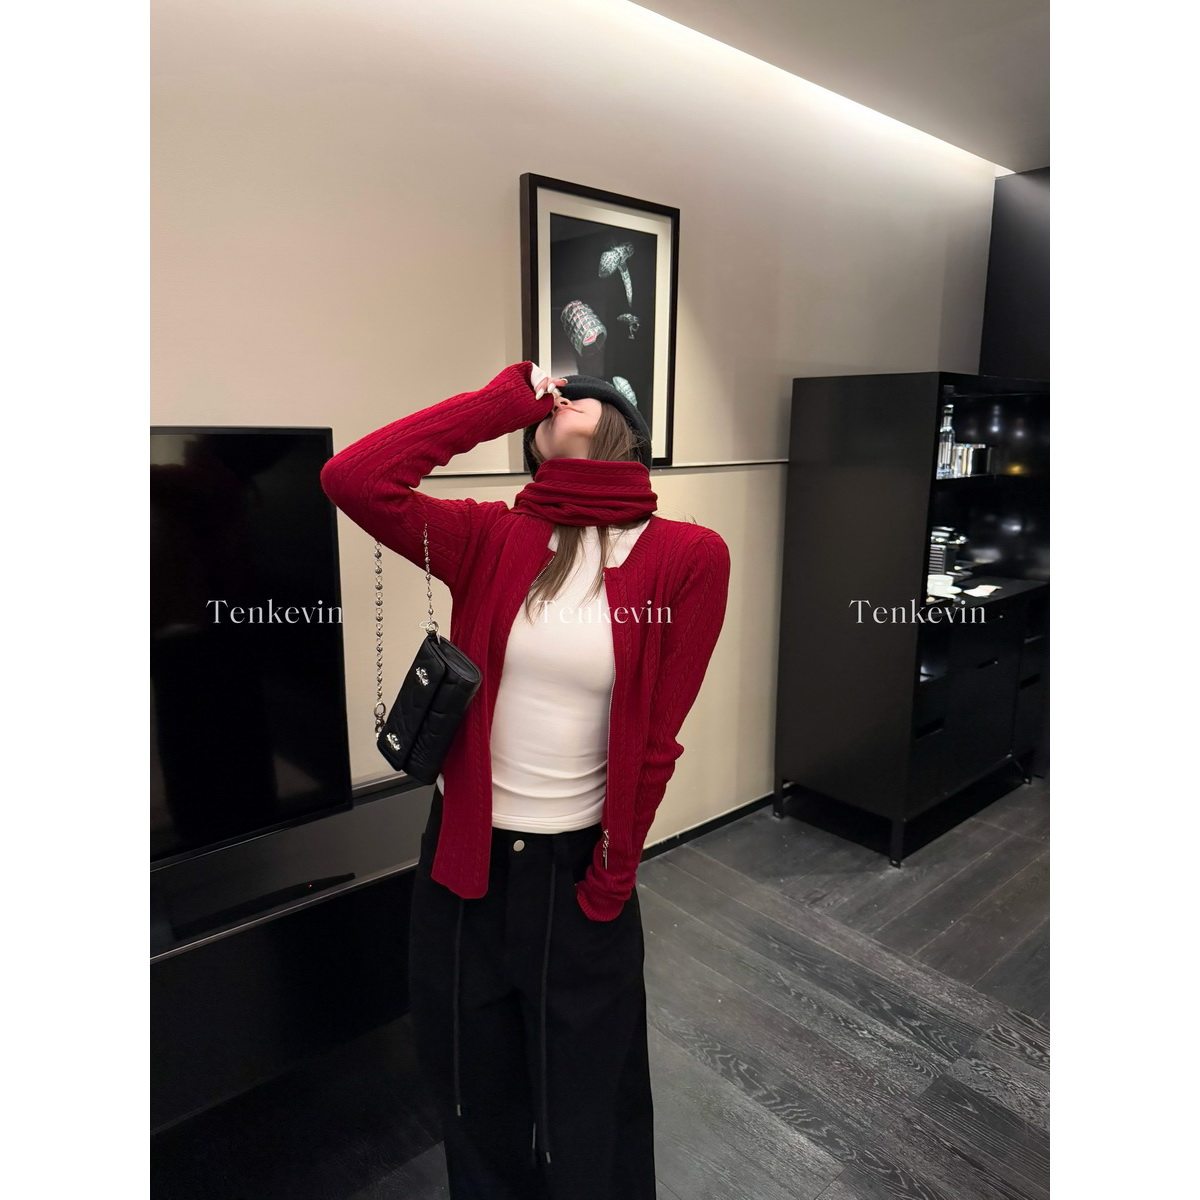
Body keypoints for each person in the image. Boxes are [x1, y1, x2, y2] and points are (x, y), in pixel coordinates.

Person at [320, 361, 730, 1199]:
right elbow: (354, 478)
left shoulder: (687, 557)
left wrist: (613, 879)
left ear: (622, 426)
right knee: (474, 1098)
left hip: (577, 874)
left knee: (592, 1108)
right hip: (462, 866)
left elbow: (657, 740)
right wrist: (501, 400)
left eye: (578, 394)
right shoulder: (491, 538)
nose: (558, 398)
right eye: (547, 401)